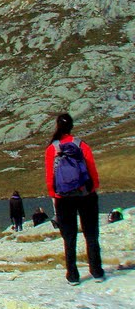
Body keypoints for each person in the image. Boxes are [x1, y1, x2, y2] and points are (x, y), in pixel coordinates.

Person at [44, 113, 104, 285]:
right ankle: (97, 271)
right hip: (86, 195)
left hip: (63, 198)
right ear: (71, 126)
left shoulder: (52, 149)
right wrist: (92, 188)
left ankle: (72, 275)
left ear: (57, 126)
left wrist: (54, 195)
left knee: (69, 237)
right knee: (91, 234)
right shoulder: (81, 145)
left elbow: (50, 177)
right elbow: (91, 168)